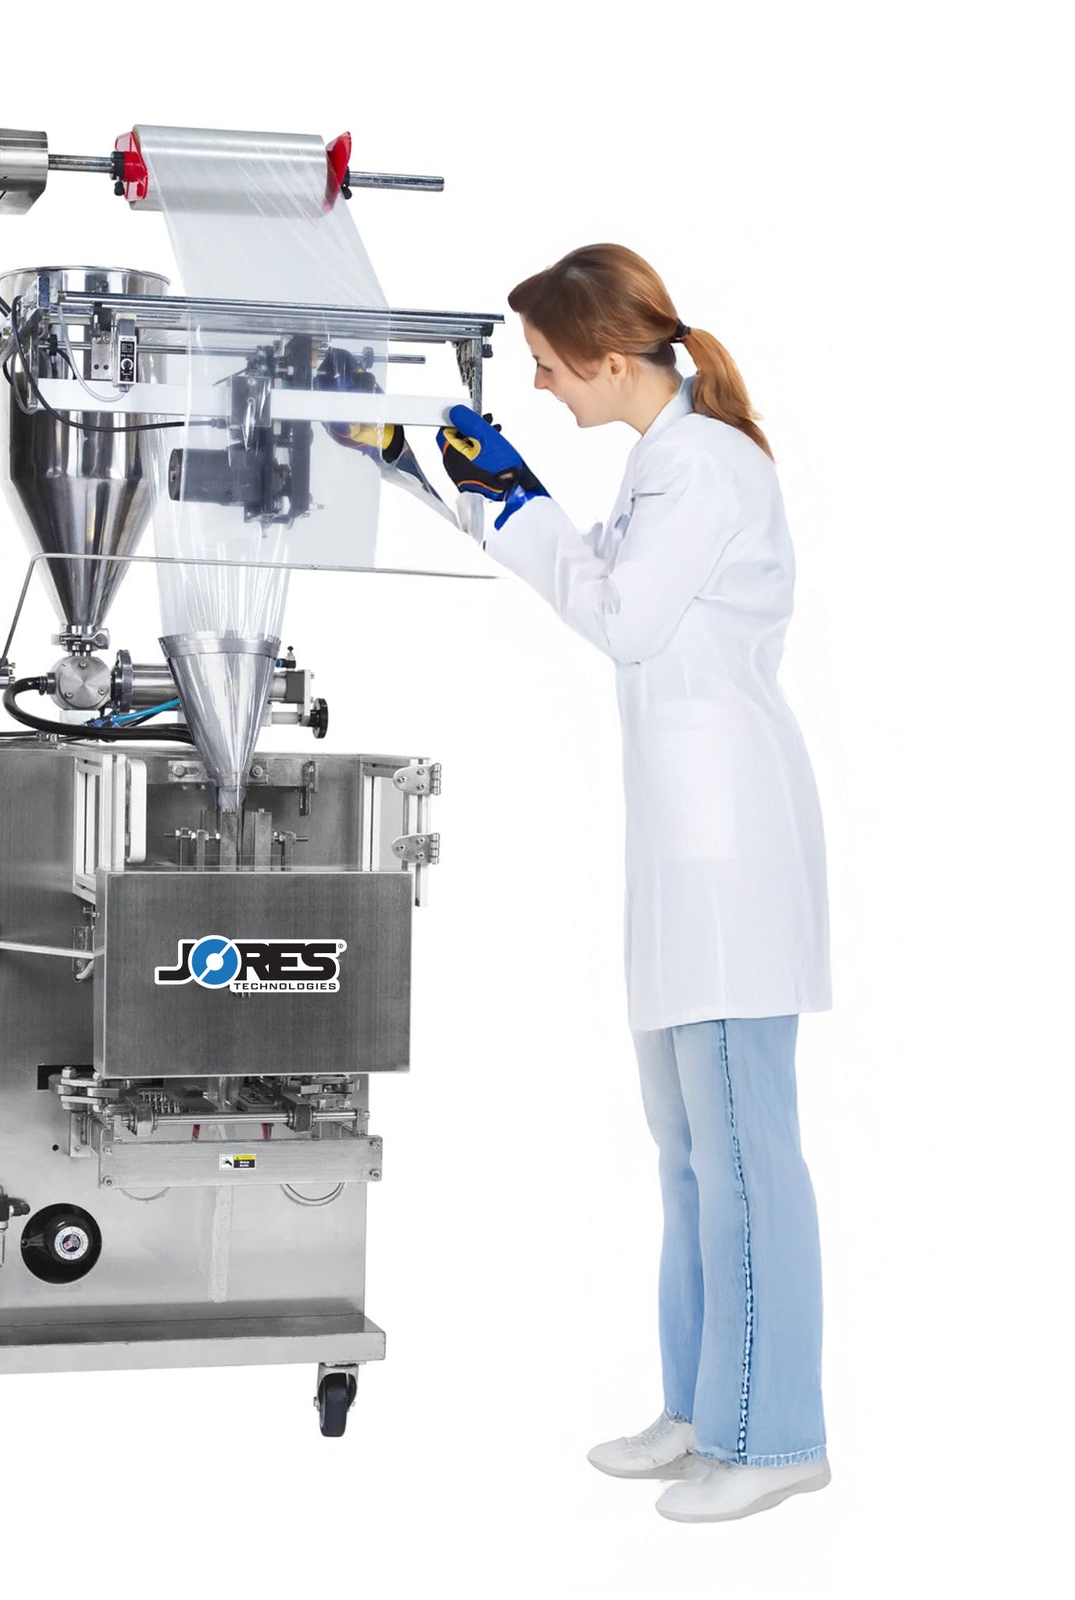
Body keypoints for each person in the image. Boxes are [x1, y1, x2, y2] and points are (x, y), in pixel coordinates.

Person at [436, 244, 831, 1523]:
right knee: (688, 1159)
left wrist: (511, 498)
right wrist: (462, 482)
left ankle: (775, 1436)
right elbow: (596, 572)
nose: (539, 386)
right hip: (684, 857)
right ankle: (704, 1410)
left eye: (548, 367)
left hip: (729, 860)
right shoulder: (668, 463)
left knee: (743, 1159)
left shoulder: (705, 464)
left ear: (610, 360)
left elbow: (620, 618)